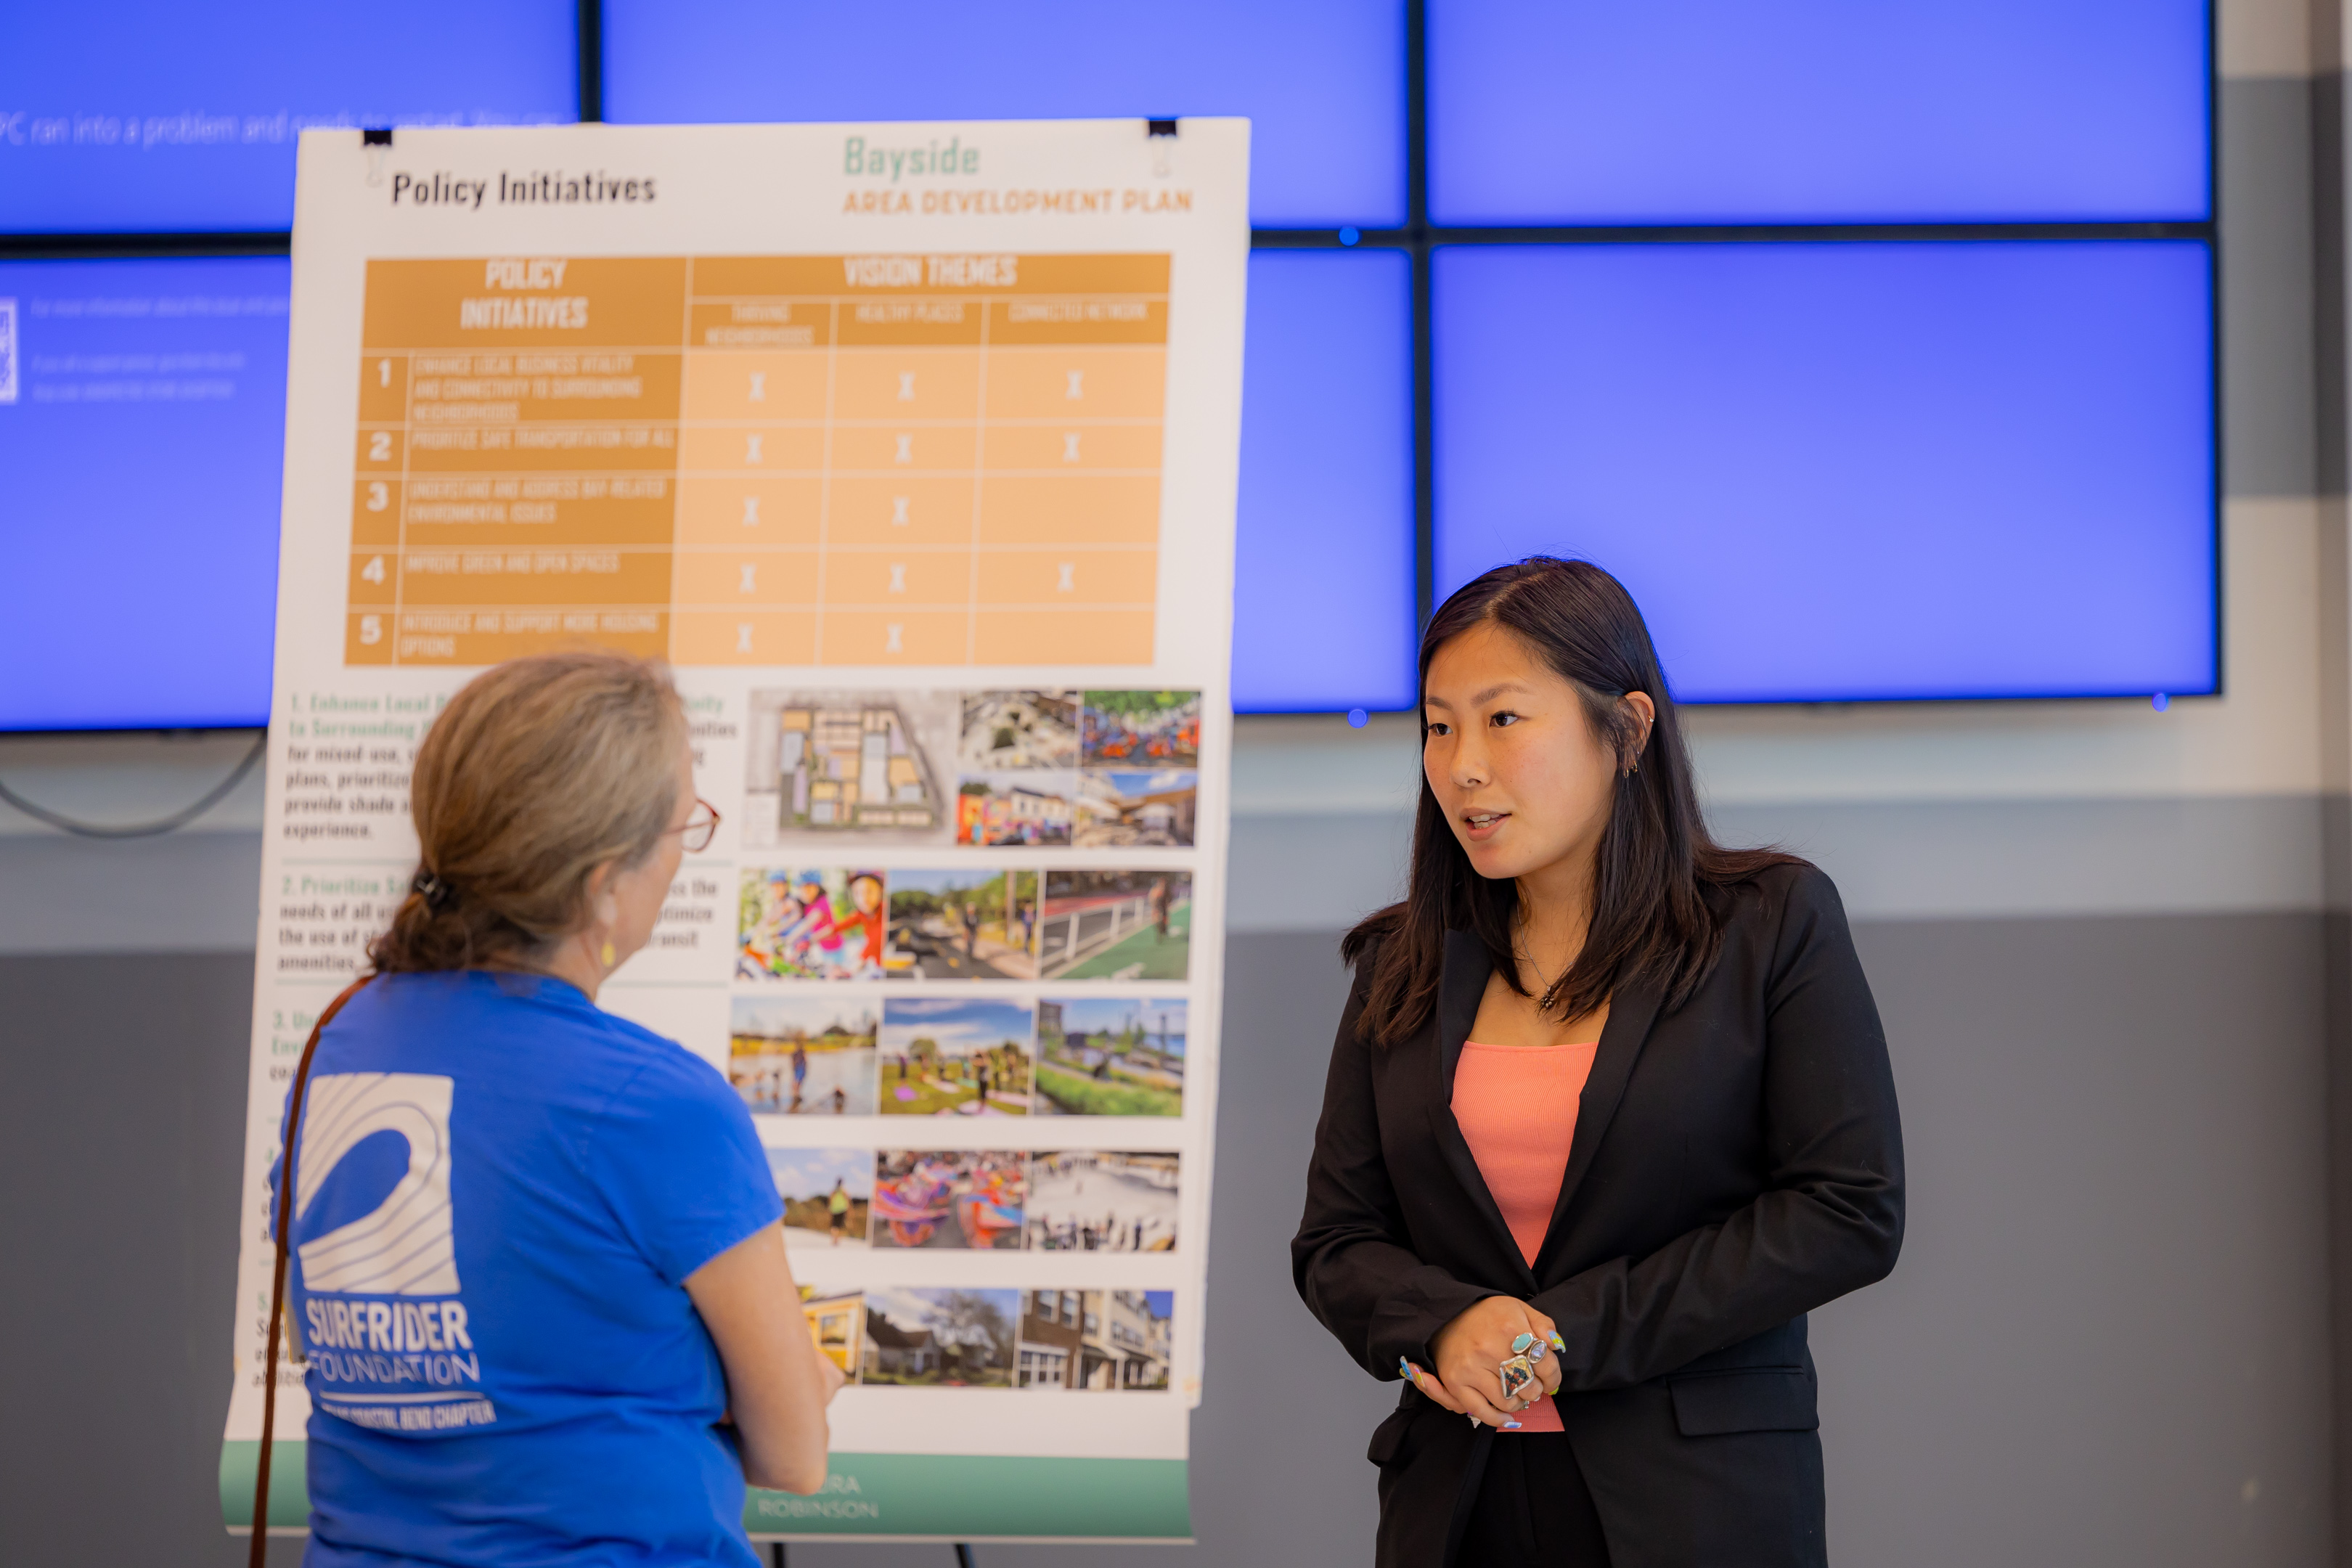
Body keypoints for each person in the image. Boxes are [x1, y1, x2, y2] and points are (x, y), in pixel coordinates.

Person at [1292, 559, 1904, 1568]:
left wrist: (1558, 1335)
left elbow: (1847, 1209)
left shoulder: (1769, 925)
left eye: (1502, 720)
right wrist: (1445, 1326)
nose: (1462, 767)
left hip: (1696, 1506)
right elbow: (1336, 1242)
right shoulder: (1402, 964)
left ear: (1625, 728)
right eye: (1439, 726)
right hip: (1457, 1508)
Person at [277, 651, 844, 1568]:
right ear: (602, 882)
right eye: (681, 829)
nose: (681, 858)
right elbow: (795, 1455)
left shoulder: (338, 1048)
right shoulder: (660, 1107)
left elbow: (330, 1337)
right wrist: (776, 1377)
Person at [827, 1178, 852, 1246]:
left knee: (834, 1225)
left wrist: (830, 1208)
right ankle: (836, 1239)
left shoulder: (834, 1191)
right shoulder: (843, 1191)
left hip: (834, 1210)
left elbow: (830, 1199)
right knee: (839, 1225)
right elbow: (847, 1200)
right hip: (842, 1210)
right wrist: (849, 1209)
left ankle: (834, 1239)